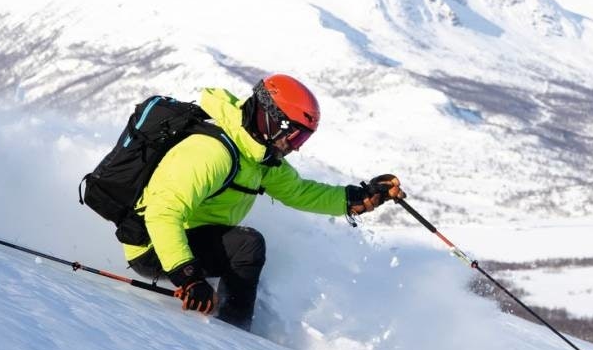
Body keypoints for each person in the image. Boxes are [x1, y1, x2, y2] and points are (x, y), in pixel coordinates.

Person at [120, 74, 405, 330]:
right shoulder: (212, 153)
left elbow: (299, 191)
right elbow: (162, 214)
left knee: (251, 269)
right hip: (152, 244)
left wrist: (358, 199)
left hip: (185, 238)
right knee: (248, 246)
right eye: (294, 134)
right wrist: (189, 278)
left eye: (303, 137)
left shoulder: (258, 156)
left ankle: (243, 321)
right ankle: (234, 337)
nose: (296, 145)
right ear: (272, 120)